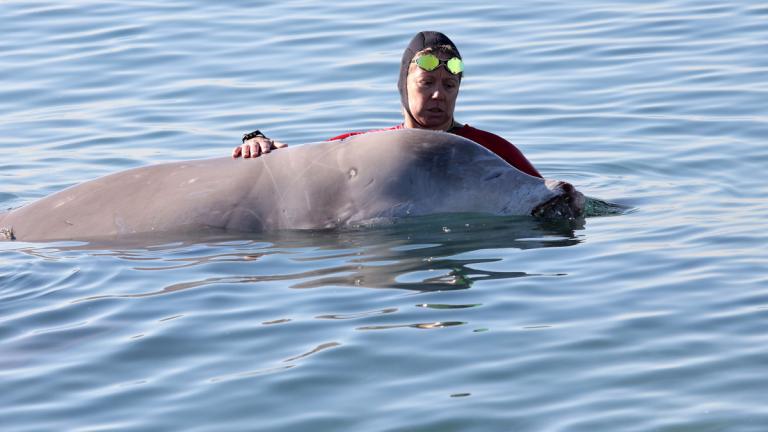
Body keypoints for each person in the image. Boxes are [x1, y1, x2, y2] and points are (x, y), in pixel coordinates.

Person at [233, 31, 541, 179]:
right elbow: (307, 167)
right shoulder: (373, 147)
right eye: (426, 83)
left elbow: (552, 198)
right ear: (403, 86)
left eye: (449, 85)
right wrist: (259, 143)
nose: (438, 95)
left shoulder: (490, 149)